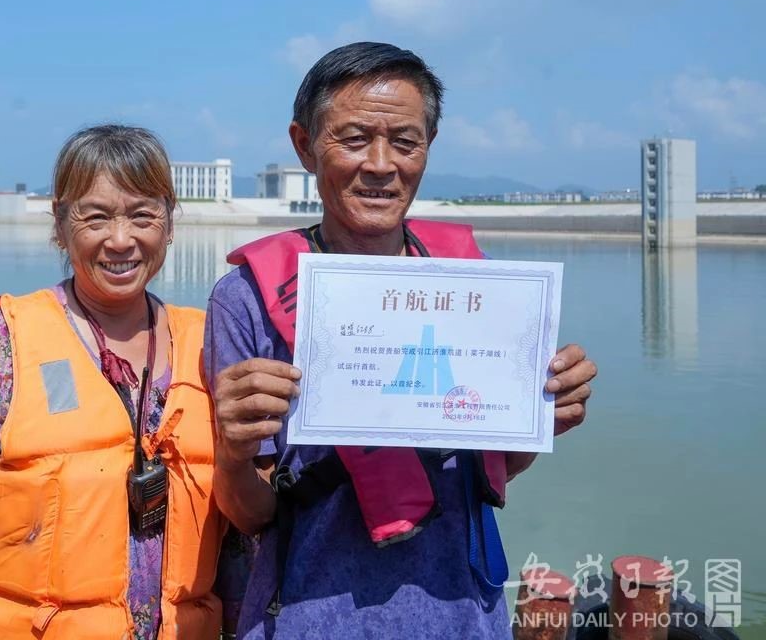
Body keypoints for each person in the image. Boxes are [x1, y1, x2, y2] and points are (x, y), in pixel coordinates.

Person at [205, 42, 599, 639]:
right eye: (355, 138)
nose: (382, 164)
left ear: (428, 149)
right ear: (304, 145)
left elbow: (493, 471)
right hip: (309, 616)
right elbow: (250, 513)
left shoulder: (473, 282)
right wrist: (233, 452)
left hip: (463, 613)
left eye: (405, 142)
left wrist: (543, 412)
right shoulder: (247, 299)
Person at [0, 125, 230, 639]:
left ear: (169, 222)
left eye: (143, 215)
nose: (121, 240)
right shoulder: (6, 341)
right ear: (60, 225)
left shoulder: (208, 342)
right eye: (96, 216)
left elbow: (239, 534)